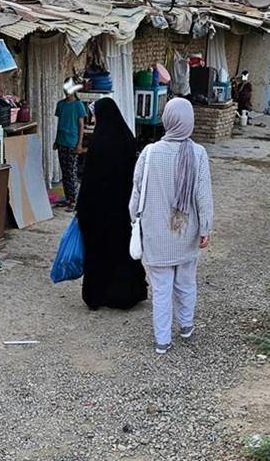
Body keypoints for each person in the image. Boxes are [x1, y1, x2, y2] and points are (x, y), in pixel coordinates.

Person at [128, 99, 214, 354]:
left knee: (161, 288)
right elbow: (203, 196)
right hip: (186, 231)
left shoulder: (149, 152)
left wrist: (134, 219)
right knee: (186, 282)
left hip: (156, 233)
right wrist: (205, 228)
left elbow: (137, 193)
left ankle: (162, 340)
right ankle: (186, 327)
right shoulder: (198, 153)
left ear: (167, 119)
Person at [75, 97, 148, 311]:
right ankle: (126, 294)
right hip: (121, 210)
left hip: (97, 212)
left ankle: (96, 295)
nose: (94, 119)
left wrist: (82, 209)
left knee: (97, 252)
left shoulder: (98, 143)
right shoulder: (127, 139)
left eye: (96, 115)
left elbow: (89, 180)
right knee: (121, 250)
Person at [55, 77, 91, 211]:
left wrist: (79, 143)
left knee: (71, 172)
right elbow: (59, 124)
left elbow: (81, 125)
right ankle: (68, 198)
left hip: (72, 142)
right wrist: (56, 140)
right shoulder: (61, 104)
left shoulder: (78, 105)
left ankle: (74, 200)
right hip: (62, 141)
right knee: (64, 172)